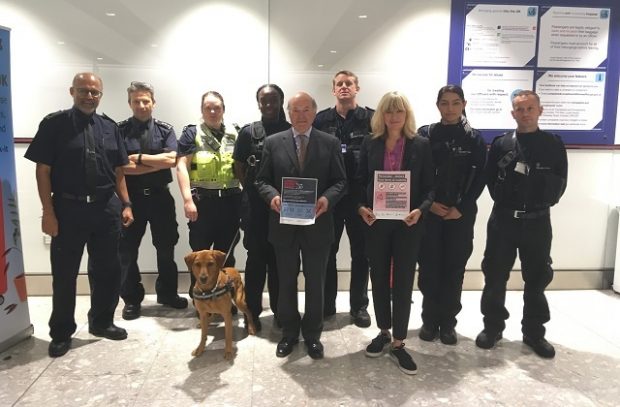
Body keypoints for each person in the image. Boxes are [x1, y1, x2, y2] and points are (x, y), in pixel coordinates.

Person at [25, 72, 133, 358]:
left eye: (94, 92)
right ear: (72, 91)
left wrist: (126, 204)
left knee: (108, 270)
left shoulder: (110, 127)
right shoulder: (54, 124)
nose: (89, 96)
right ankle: (61, 332)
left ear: (101, 94)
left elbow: (119, 170)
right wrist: (47, 212)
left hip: (105, 208)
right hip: (67, 209)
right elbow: (42, 170)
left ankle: (101, 321)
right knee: (64, 274)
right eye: (83, 91)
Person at [476, 90, 568, 359]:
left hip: (538, 222)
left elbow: (559, 184)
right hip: (503, 220)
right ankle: (492, 328)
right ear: (512, 113)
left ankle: (534, 332)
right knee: (494, 276)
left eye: (530, 108)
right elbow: (491, 182)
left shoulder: (553, 144)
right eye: (519, 109)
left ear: (540, 110)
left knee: (537, 278)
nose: (525, 113)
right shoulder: (502, 144)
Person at [255, 92, 346, 359]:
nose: (302, 115)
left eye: (307, 109)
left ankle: (313, 335)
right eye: (296, 110)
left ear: (315, 113)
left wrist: (327, 200)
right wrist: (272, 196)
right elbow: (261, 180)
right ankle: (289, 333)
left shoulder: (329, 142)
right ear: (289, 113)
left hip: (318, 224)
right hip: (284, 225)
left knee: (316, 282)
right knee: (285, 281)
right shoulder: (273, 142)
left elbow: (341, 181)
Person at [355, 91, 434, 375]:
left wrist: (421, 210)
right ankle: (384, 331)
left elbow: (429, 187)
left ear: (406, 114)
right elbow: (360, 180)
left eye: (399, 111)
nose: (394, 116)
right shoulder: (370, 143)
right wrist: (361, 207)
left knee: (402, 280)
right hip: (376, 222)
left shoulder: (421, 145)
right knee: (377, 277)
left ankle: (399, 341)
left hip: (408, 223)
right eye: (388, 111)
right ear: (381, 115)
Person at [416, 85, 487, 345]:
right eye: (444, 103)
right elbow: (417, 174)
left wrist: (463, 207)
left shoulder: (474, 139)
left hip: (460, 214)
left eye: (455, 103)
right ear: (437, 106)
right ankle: (428, 320)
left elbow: (481, 178)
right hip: (430, 213)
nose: (450, 108)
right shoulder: (425, 135)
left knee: (454, 269)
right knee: (429, 268)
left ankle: (447, 324)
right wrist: (429, 204)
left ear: (463, 104)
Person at [117, 81, 187, 320]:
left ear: (153, 103)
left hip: (160, 198)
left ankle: (168, 293)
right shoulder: (120, 130)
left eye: (145, 100)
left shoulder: (165, 129)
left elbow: (172, 160)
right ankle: (131, 299)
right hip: (131, 199)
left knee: (166, 248)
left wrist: (138, 158)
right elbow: (121, 167)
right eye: (136, 101)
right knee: (127, 252)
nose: (141, 105)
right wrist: (153, 163)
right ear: (129, 103)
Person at [313, 70, 373, 327]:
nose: (344, 87)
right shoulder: (321, 120)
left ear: (357, 88)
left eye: (349, 83)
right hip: (330, 199)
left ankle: (359, 307)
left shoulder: (371, 119)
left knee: (362, 254)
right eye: (340, 84)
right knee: (328, 252)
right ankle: (327, 304)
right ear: (333, 89)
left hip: (361, 199)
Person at [233, 84, 291, 330]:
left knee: (281, 261)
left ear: (281, 101)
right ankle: (252, 312)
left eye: (273, 100)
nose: (269, 106)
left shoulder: (292, 130)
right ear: (258, 103)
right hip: (255, 208)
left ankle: (281, 312)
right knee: (255, 261)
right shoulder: (248, 133)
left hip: (285, 207)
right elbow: (238, 167)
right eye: (264, 101)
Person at [176, 91, 241, 298]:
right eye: (208, 108)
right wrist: (187, 200)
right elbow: (181, 167)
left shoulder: (236, 133)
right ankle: (201, 301)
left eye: (217, 107)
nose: (213, 111)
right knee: (200, 259)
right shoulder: (191, 133)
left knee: (226, 258)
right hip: (202, 204)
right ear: (202, 110)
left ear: (224, 109)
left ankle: (224, 298)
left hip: (231, 202)